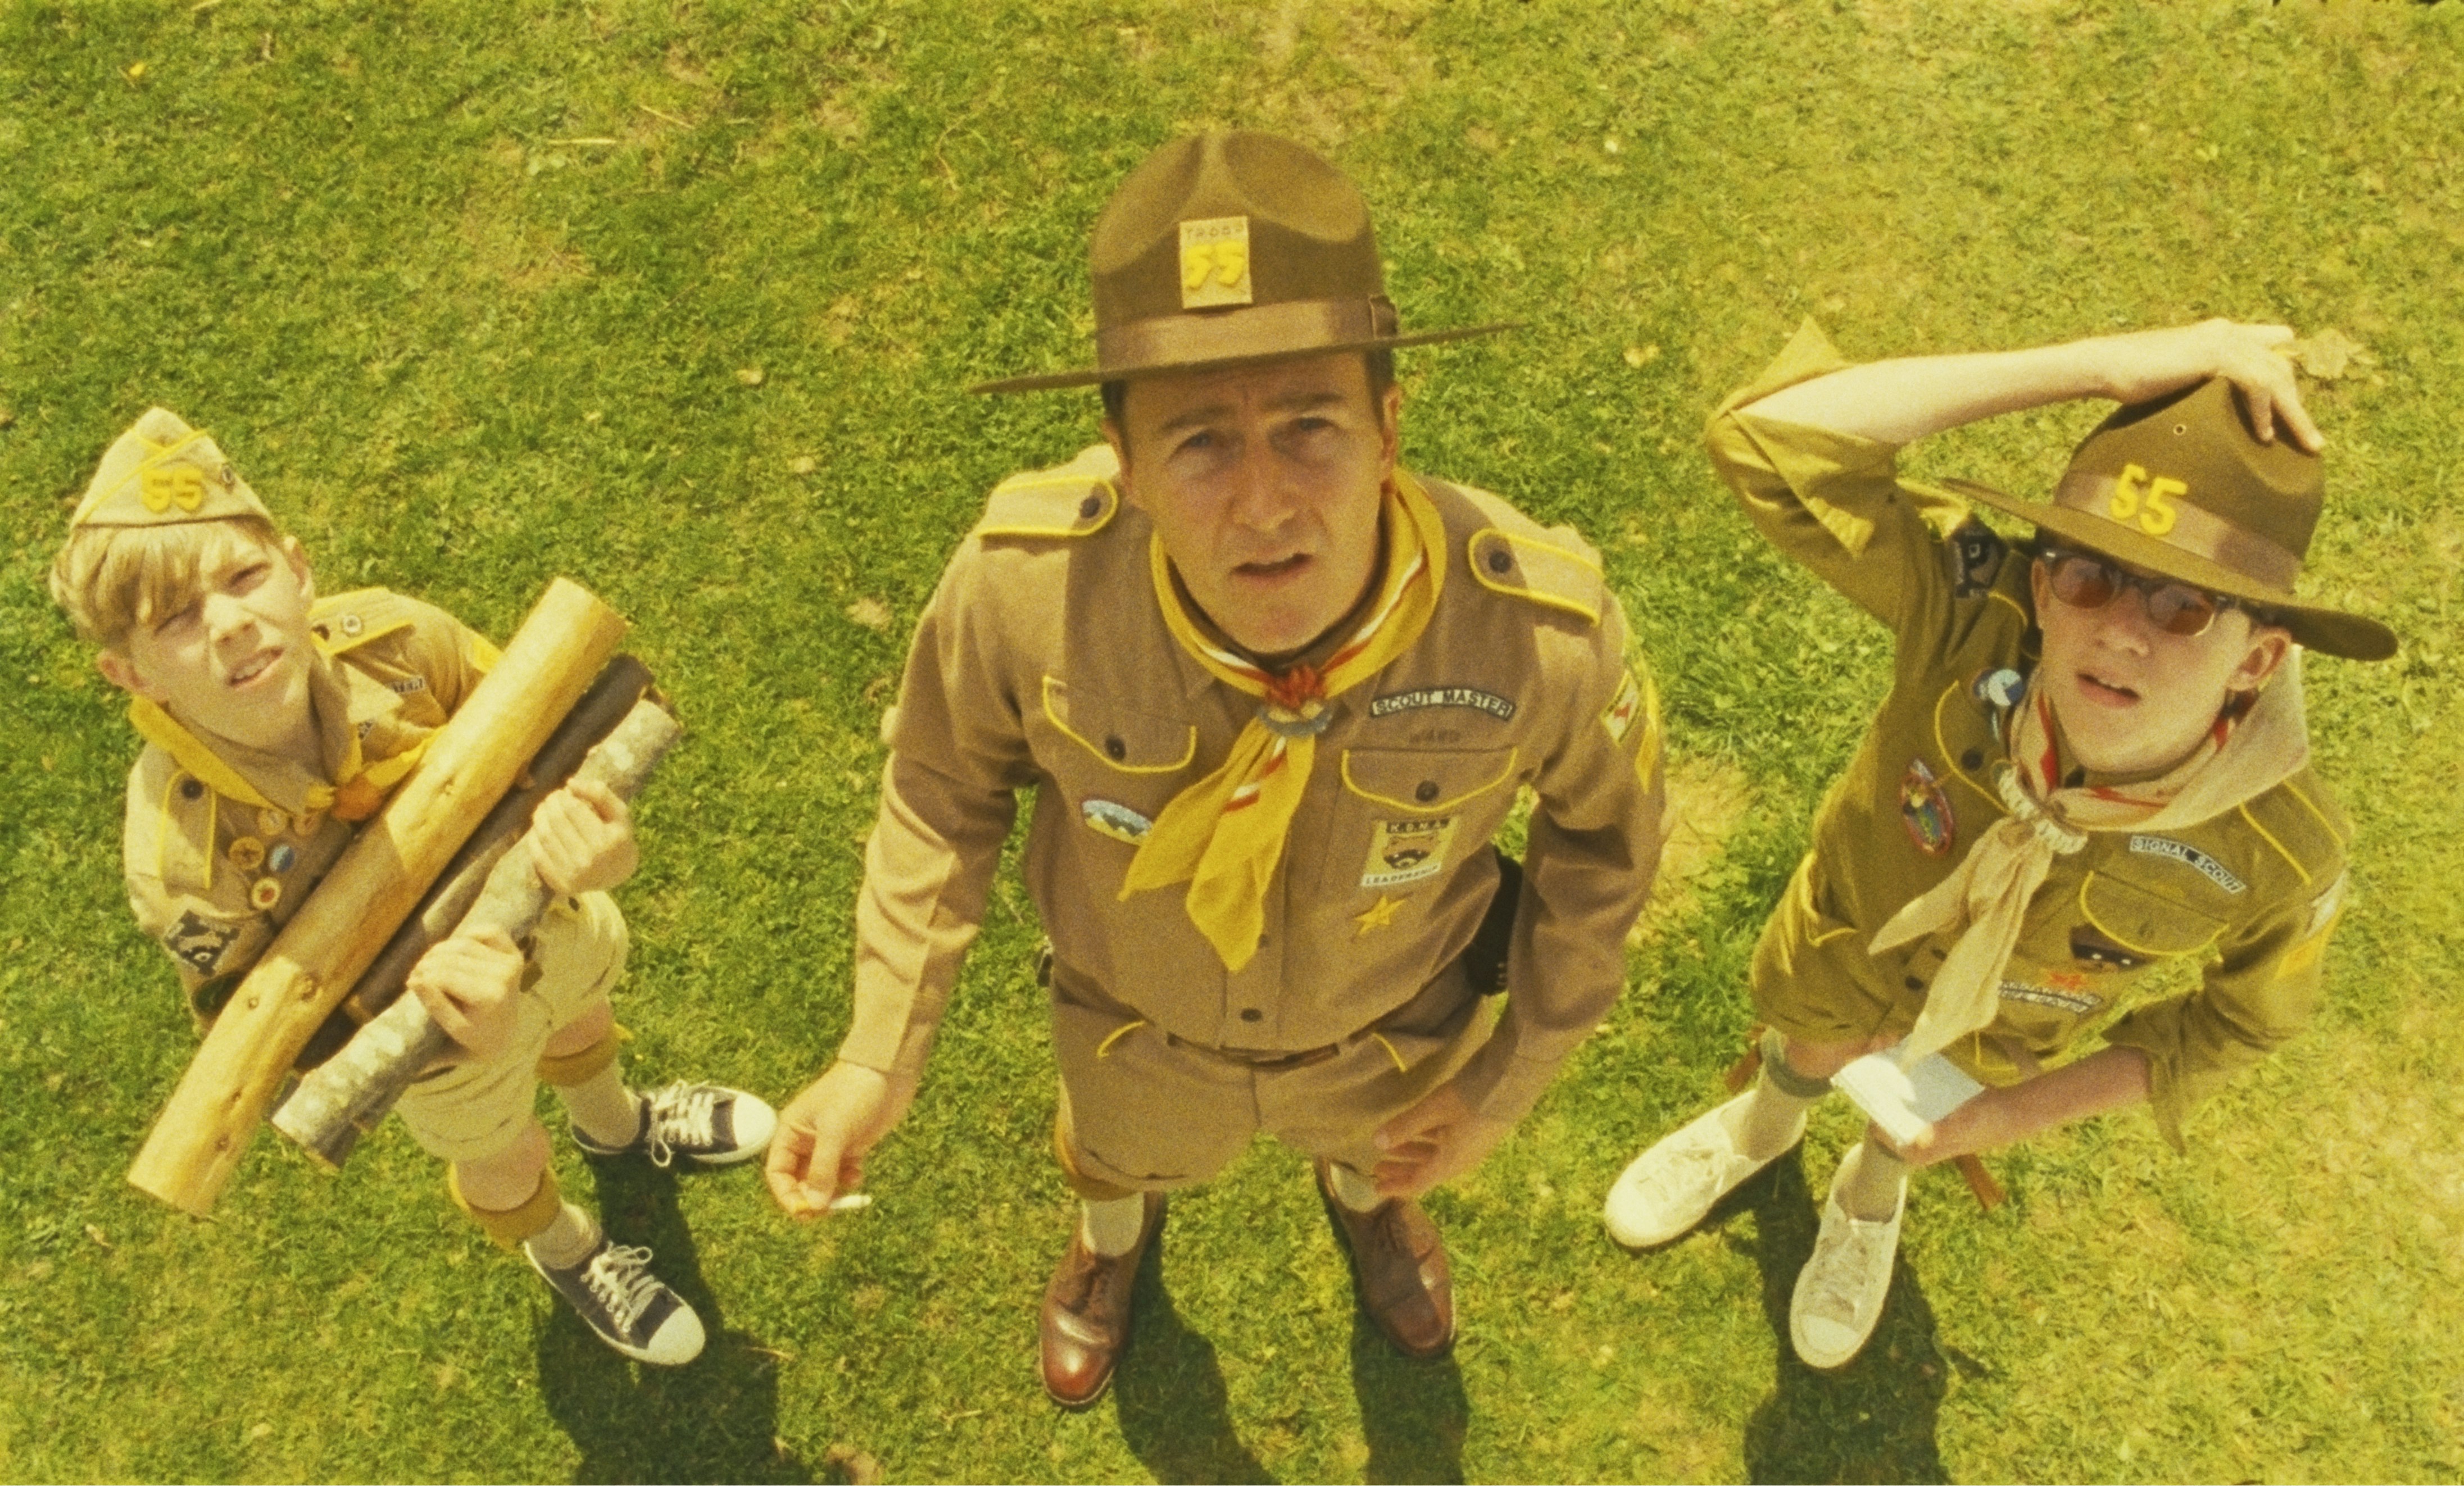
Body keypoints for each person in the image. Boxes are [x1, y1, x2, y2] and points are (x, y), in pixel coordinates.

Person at [765, 131, 1669, 1404]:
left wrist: (1503, 1082)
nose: (1264, 505)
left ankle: (1370, 1204)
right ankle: (1107, 1242)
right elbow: (939, 783)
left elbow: (1608, 851)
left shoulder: (1537, 633)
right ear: (1124, 464)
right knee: (1115, 1158)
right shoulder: (1024, 592)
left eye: (1310, 427)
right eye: (1199, 443)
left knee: (1382, 1152)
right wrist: (878, 1051)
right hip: (1137, 1035)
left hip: (1389, 1034)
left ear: (1390, 425)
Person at [1602, 319, 2397, 1370]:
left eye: (2183, 605)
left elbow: (2233, 1027)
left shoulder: (2280, 852)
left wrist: (2003, 1119)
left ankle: (1870, 1195)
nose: (2118, 631)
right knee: (1803, 1041)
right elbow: (1766, 440)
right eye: (2089, 574)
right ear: (2039, 585)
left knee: (1908, 1124)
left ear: (2256, 659)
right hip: (1842, 942)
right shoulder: (1973, 616)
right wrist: (2092, 368)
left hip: (1987, 1046)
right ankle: (1760, 1129)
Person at [51, 408, 779, 1366]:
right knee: (505, 1149)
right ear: (128, 672)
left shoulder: (398, 644)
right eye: (176, 619)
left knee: (582, 1018)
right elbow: (271, 1040)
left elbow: (556, 748)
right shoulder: (183, 861)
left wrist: (605, 853)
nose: (227, 622)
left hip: (552, 919)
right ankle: (565, 1248)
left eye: (243, 576)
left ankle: (619, 1124)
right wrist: (444, 1031)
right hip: (436, 1042)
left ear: (298, 568)